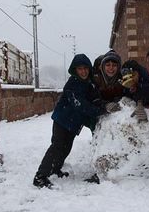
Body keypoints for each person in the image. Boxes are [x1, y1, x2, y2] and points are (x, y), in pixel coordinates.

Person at [33, 54, 116, 188]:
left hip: (73, 123)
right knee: (56, 147)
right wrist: (101, 110)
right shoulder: (72, 85)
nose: (83, 72)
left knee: (66, 148)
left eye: (85, 68)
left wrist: (105, 105)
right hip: (62, 120)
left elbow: (95, 99)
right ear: (75, 70)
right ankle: (40, 176)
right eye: (80, 69)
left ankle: (55, 169)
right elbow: (81, 105)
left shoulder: (89, 84)